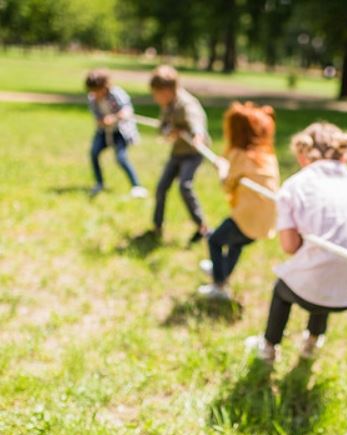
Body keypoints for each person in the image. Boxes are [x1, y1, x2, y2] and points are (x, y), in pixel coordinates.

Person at [256, 122, 347, 362]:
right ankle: (313, 340)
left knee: (282, 289)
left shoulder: (294, 185)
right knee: (327, 265)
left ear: (303, 155)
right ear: (344, 154)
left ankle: (269, 347)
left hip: (315, 290)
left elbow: (289, 247)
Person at [197, 102, 280, 300]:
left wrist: (221, 168)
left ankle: (219, 285)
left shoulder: (241, 155)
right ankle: (222, 270)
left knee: (215, 240)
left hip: (247, 219)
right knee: (236, 244)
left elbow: (227, 184)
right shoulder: (267, 156)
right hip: (266, 221)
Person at [149, 65, 210, 244]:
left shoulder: (186, 103)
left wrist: (198, 136)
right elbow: (162, 128)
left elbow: (196, 120)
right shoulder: (168, 105)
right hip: (177, 153)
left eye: (156, 94)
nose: (155, 98)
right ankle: (157, 226)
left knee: (185, 186)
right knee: (161, 188)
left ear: (167, 90)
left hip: (192, 153)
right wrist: (170, 132)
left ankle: (202, 227)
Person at [85, 69, 147, 198]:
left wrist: (115, 118)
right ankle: (99, 183)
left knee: (121, 158)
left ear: (104, 86)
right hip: (104, 132)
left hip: (120, 131)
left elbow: (127, 111)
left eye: (97, 90)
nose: (95, 94)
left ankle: (137, 186)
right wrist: (103, 121)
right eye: (92, 91)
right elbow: (97, 119)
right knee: (94, 153)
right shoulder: (92, 99)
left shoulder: (117, 94)